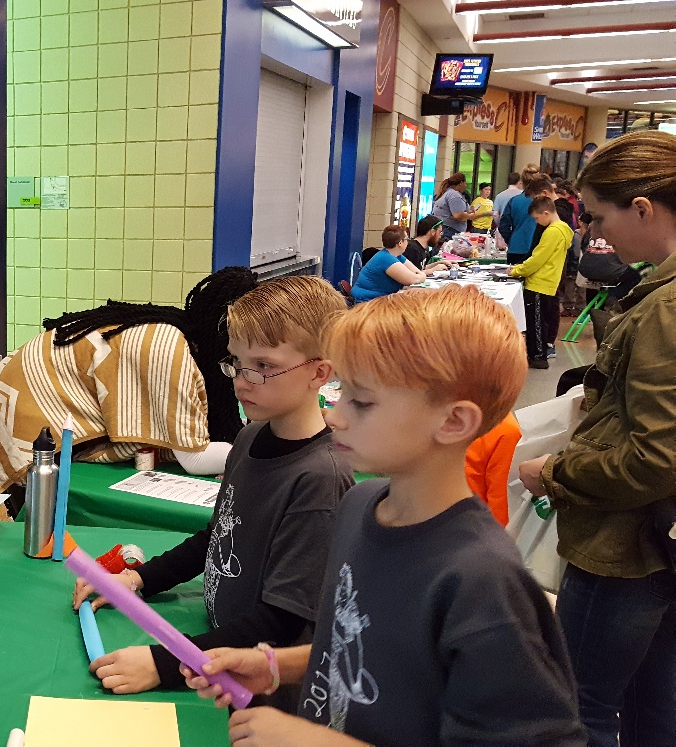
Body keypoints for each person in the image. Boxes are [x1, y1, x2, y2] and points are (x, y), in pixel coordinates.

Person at [181, 285, 585, 746]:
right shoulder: (359, 506)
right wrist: (278, 665)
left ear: (454, 422)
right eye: (341, 393)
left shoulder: (481, 581)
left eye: (362, 401)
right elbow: (368, 648)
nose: (335, 417)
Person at [71, 276, 354, 697]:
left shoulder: (321, 480)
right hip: (220, 644)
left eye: (264, 367)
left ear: (320, 372)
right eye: (236, 363)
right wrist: (137, 580)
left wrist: (165, 663)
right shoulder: (249, 438)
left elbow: (281, 623)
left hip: (258, 683)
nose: (242, 380)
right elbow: (219, 536)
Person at [519, 130, 676, 747]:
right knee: (652, 701)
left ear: (642, 208)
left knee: (580, 705)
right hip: (658, 546)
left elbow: (657, 458)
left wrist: (552, 473)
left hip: (624, 548)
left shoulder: (664, 310)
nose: (597, 235)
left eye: (601, 216)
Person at [511, 196, 572, 369]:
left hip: (539, 282)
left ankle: (537, 356)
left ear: (546, 213)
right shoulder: (564, 230)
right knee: (541, 321)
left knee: (535, 322)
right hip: (549, 281)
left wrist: (517, 270)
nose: (537, 222)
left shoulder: (553, 231)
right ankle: (540, 352)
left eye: (537, 218)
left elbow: (538, 258)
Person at [351, 225, 444, 302]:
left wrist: (420, 274)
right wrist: (421, 275)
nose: (408, 242)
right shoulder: (385, 259)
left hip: (378, 300)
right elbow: (413, 279)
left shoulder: (396, 255)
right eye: (407, 239)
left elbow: (416, 271)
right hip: (367, 303)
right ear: (400, 243)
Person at [578, 213, 643, 301]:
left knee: (599, 279)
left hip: (585, 268)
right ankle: (613, 298)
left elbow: (583, 245)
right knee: (634, 277)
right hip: (610, 269)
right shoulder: (623, 227)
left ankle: (593, 308)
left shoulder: (595, 225)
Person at [503, 173, 556, 265]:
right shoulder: (549, 206)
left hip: (516, 246)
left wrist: (511, 239)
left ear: (522, 183)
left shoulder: (514, 200)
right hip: (537, 248)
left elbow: (504, 225)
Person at [432, 173, 488, 242]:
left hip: (445, 229)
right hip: (450, 231)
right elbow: (458, 215)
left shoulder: (447, 192)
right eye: (465, 183)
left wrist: (468, 210)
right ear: (461, 183)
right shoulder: (454, 195)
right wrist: (470, 216)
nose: (466, 186)